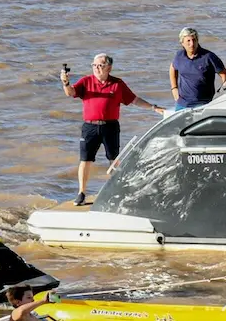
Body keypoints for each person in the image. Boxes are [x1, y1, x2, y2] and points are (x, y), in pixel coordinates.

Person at [62, 54, 165, 207]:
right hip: (89, 126)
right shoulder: (86, 81)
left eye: (100, 65)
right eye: (94, 65)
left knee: (114, 160)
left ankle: (118, 192)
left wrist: (153, 107)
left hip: (110, 126)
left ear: (109, 67)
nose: (97, 68)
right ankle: (81, 193)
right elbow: (70, 92)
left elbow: (134, 99)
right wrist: (65, 82)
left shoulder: (117, 84)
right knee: (85, 160)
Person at [169, 26, 226, 110]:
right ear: (182, 43)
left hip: (204, 104)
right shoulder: (179, 56)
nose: (192, 44)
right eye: (188, 41)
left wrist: (223, 94)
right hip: (182, 103)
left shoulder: (209, 57)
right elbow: (172, 68)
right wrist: (174, 88)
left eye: (194, 40)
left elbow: (224, 75)